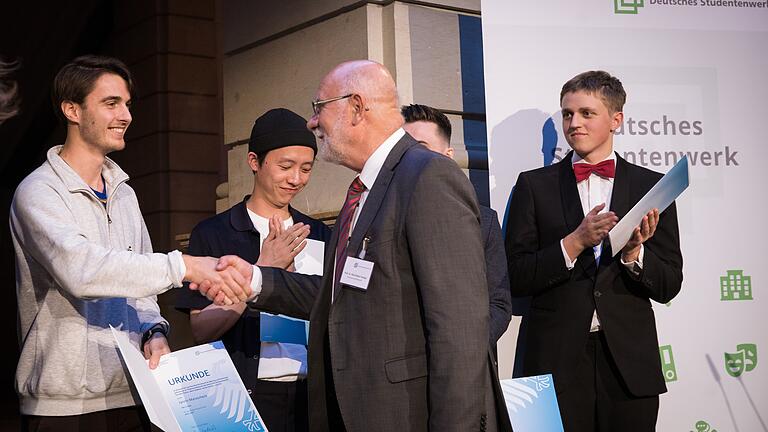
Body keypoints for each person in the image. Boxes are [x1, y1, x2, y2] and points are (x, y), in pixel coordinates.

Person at [205, 60, 498, 431]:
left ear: (357, 107)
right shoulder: (360, 191)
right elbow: (338, 295)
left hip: (405, 417)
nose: (313, 123)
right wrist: (257, 279)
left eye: (318, 108)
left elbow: (459, 327)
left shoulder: (428, 176)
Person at [10, 55, 250, 431]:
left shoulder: (124, 193)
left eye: (127, 104)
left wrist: (154, 330)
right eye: (111, 104)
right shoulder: (38, 192)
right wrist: (183, 265)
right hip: (64, 406)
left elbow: (139, 289)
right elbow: (82, 271)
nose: (126, 115)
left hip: (133, 393)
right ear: (71, 110)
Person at [504, 70, 683, 431]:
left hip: (630, 365)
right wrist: (574, 243)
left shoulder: (653, 187)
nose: (574, 123)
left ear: (616, 119)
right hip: (548, 362)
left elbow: (669, 285)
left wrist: (635, 255)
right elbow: (513, 277)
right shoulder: (532, 185)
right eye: (567, 114)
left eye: (587, 113)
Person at [175, 108, 332, 432]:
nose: (296, 179)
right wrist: (264, 270)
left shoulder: (319, 233)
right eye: (285, 166)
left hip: (311, 394)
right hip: (243, 393)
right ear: (254, 162)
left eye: (306, 169)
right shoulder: (216, 233)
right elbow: (202, 328)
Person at [401, 103, 512, 348]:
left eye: (420, 149)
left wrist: (469, 347)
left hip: (469, 362)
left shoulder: (485, 221)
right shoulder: (383, 215)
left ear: (448, 156)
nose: (409, 158)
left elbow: (499, 303)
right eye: (402, 149)